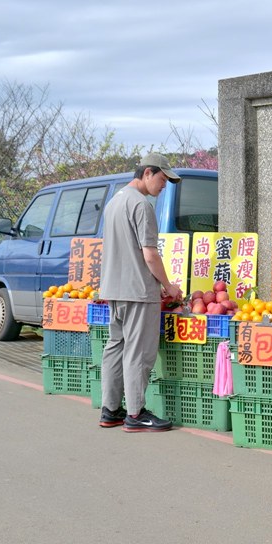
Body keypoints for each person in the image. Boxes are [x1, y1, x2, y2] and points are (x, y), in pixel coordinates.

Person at [99, 153, 179, 432]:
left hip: (114, 289)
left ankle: (110, 410)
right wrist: (169, 286)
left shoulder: (115, 202)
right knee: (139, 352)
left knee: (115, 347)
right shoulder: (141, 206)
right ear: (147, 173)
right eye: (162, 178)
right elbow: (150, 254)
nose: (165, 185)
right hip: (138, 290)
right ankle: (135, 413)